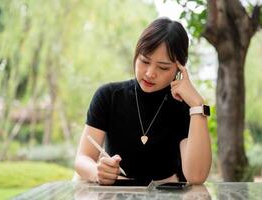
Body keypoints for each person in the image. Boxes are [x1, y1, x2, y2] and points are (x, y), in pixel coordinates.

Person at [74, 17, 212, 185]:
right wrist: (97, 172)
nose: (150, 73)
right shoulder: (109, 96)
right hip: (116, 193)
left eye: (163, 67)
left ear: (179, 68)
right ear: (136, 55)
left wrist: (197, 105)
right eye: (145, 61)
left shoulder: (184, 106)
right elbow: (82, 158)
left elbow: (196, 176)